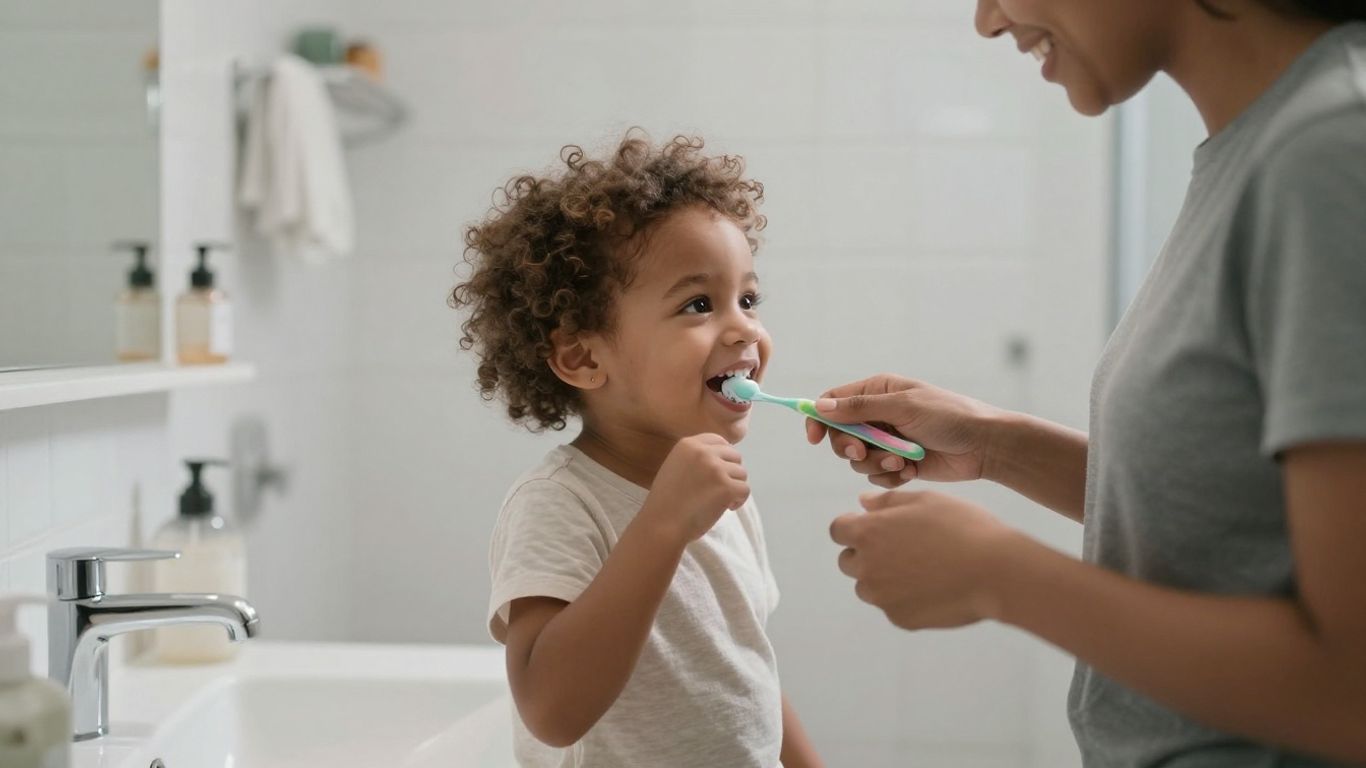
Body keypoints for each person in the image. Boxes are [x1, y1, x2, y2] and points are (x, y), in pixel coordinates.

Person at [811, 2, 1366, 766]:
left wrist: (997, 576)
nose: (986, 19)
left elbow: (1350, 689)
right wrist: (993, 447)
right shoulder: (1267, 147)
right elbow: (1234, 525)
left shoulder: (1331, 152)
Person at [451, 131, 822, 768]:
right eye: (699, 304)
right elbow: (552, 711)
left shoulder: (720, 492)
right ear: (584, 356)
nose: (745, 328)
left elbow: (744, 669)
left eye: (749, 298)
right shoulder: (561, 504)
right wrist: (663, 525)